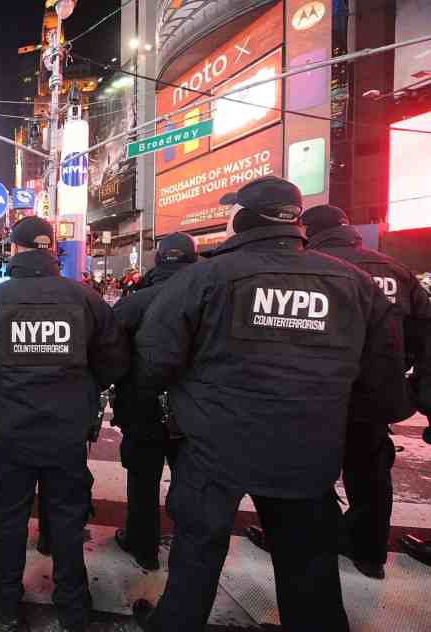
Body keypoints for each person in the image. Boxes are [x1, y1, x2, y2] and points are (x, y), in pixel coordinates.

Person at [131, 176, 408, 632]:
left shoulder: (204, 277)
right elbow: (382, 380)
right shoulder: (354, 284)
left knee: (197, 554)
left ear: (243, 218)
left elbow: (154, 361)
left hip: (215, 446)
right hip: (308, 450)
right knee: (309, 567)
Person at [0, 216, 129, 632]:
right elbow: (114, 364)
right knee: (68, 520)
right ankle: (73, 607)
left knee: (9, 519)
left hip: (11, 434)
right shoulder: (86, 299)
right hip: (68, 433)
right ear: (51, 249)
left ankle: (5, 602)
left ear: (14, 250)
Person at [278, 204, 430, 578]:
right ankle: (368, 553)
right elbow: (424, 334)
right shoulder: (396, 270)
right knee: (371, 472)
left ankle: (316, 542)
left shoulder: (307, 267)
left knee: (307, 472)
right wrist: (411, 384)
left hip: (318, 392)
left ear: (309, 230)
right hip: (376, 392)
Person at [110, 232, 197, 571]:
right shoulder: (214, 297)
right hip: (195, 409)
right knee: (192, 483)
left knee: (142, 480)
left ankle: (143, 546)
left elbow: (110, 355)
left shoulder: (133, 303)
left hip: (142, 406)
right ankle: (190, 550)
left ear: (158, 260)